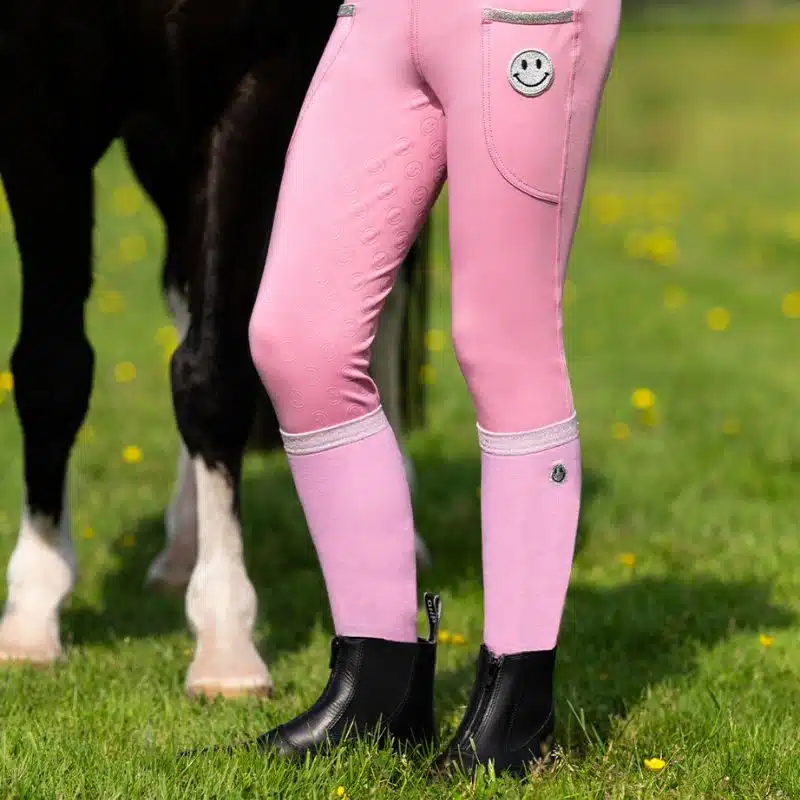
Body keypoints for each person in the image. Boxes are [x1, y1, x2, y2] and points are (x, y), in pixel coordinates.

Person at [244, 0, 620, 778]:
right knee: (298, 339)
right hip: (380, 17)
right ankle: (376, 693)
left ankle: (517, 718)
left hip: (519, 18)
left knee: (504, 342)